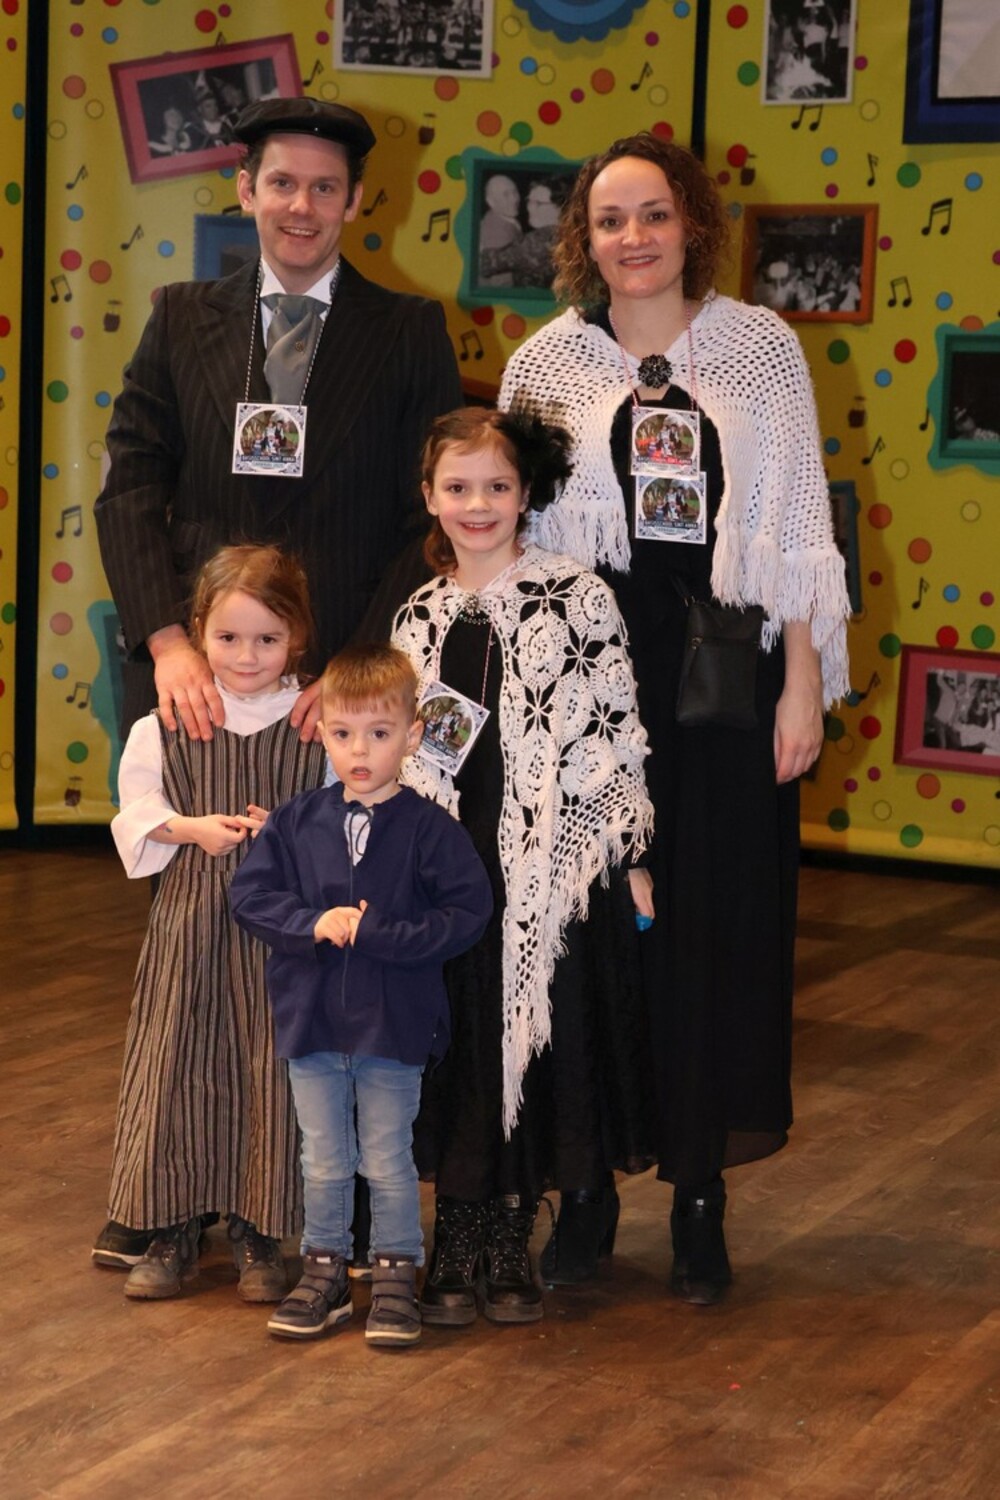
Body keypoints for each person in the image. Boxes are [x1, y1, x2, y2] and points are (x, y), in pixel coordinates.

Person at [93, 96, 461, 1268]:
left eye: (325, 187)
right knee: (192, 952)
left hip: (324, 706)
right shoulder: (179, 316)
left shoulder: (407, 331)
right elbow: (129, 485)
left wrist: (347, 671)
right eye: (282, 183)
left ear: (357, 201)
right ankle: (170, 1185)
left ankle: (276, 1201)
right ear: (246, 191)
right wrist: (168, 641)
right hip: (201, 687)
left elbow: (422, 519)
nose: (302, 206)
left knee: (304, 952)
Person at [498, 132, 851, 1305]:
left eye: (652, 213)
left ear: (691, 222)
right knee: (590, 926)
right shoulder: (545, 364)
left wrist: (802, 682)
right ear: (582, 237)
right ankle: (585, 1189)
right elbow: (513, 537)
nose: (633, 237)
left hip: (726, 681)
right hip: (592, 676)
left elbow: (797, 523)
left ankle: (699, 1194)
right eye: (609, 219)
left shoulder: (759, 348)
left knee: (715, 925)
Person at [391, 408, 655, 1326]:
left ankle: (512, 1227)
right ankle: (457, 1228)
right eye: (458, 487)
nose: (478, 504)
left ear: (526, 493)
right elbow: (400, 748)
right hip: (451, 870)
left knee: (536, 1043)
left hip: (547, 870)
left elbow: (612, 736)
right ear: (431, 496)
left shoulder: (576, 599)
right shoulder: (419, 616)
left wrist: (622, 855)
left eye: (497, 487)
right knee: (461, 1045)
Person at [229, 645, 492, 1346]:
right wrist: (311, 924)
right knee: (323, 1156)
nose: (360, 751)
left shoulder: (431, 829)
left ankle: (397, 1275)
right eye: (343, 733)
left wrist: (382, 934)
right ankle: (325, 1273)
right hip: (310, 1023)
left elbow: (468, 914)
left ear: (412, 735)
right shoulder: (294, 822)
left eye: (379, 734)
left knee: (386, 1157)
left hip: (394, 1026)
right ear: (322, 734)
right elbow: (250, 897)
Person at [101, 544, 329, 1303]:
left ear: (297, 637)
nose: (247, 655)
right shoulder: (164, 723)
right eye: (228, 637)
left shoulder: (314, 724)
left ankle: (260, 1228)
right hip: (192, 923)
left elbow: (347, 819)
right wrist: (191, 828)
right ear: (198, 630)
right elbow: (136, 814)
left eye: (268, 638)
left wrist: (290, 836)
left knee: (269, 1068)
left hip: (280, 935)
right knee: (180, 1063)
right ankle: (173, 1225)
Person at [478, 172, 523, 287]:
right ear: (491, 201)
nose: (514, 199)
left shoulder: (500, 218)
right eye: (506, 194)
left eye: (515, 192)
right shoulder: (497, 232)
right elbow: (501, 282)